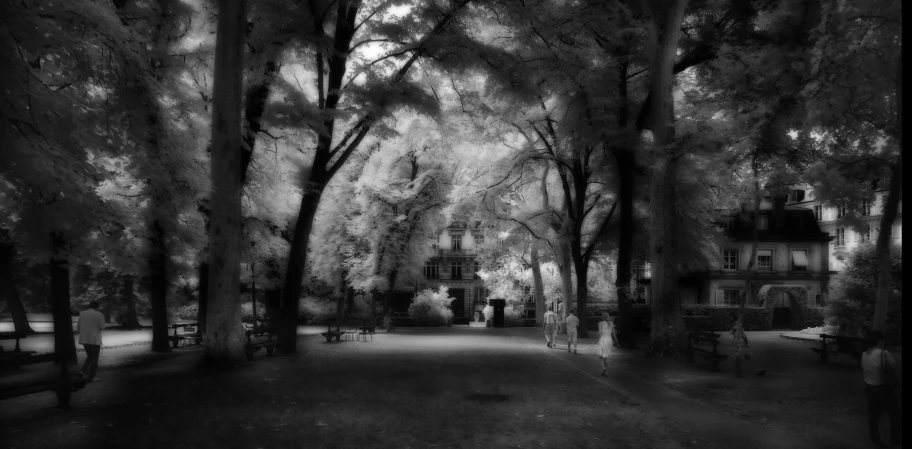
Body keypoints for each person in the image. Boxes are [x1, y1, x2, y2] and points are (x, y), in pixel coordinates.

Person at [860, 330, 900, 447]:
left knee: (873, 417)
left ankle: (876, 441)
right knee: (896, 415)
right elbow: (894, 368)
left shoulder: (864, 354)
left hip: (869, 388)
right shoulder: (884, 353)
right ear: (879, 341)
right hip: (883, 389)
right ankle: (895, 441)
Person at [77, 301, 106, 382]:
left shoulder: (82, 314)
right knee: (94, 359)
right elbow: (103, 327)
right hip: (94, 339)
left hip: (84, 339)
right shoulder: (99, 314)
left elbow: (78, 327)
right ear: (97, 306)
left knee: (90, 357)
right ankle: (91, 377)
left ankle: (82, 371)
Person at [595, 312, 617, 377]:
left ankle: (604, 368)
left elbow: (599, 333)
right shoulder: (611, 324)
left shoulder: (600, 323)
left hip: (603, 340)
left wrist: (597, 340)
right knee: (606, 357)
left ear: (602, 317)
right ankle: (606, 371)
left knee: (601, 356)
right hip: (609, 341)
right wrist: (617, 342)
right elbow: (614, 334)